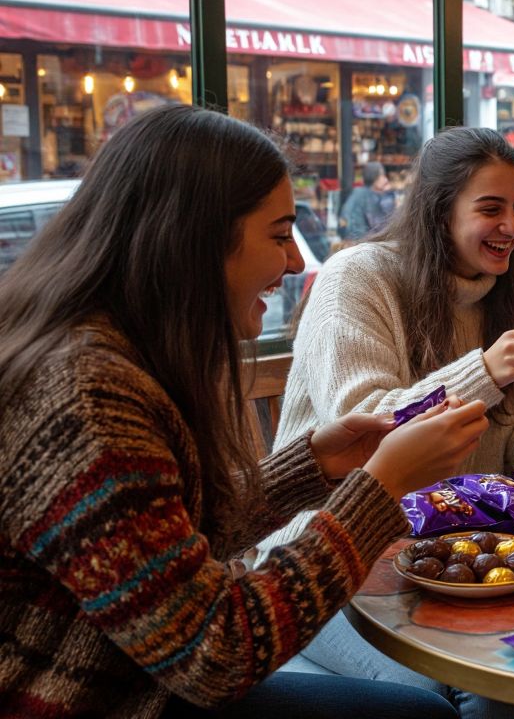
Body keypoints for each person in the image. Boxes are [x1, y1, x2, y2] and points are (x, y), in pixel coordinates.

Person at [0, 104, 489, 718]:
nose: (295, 262)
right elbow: (217, 653)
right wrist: (378, 489)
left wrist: (310, 467)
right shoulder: (87, 396)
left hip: (140, 676)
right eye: (280, 234)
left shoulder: (104, 350)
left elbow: (165, 551)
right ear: (196, 241)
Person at [264, 126, 514, 718]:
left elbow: (511, 463)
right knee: (446, 695)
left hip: (461, 555)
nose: (511, 227)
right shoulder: (357, 278)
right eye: (489, 208)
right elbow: (363, 432)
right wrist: (482, 373)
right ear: (439, 212)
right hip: (332, 562)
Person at [339, 161, 395, 242]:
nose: (385, 179)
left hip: (356, 242)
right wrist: (388, 196)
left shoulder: (359, 192)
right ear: (374, 177)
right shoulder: (368, 196)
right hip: (363, 243)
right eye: (382, 176)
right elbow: (380, 225)